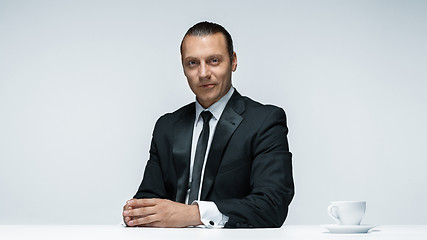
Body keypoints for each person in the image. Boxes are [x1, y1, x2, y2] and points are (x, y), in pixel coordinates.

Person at [122, 21, 294, 228]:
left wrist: (192, 214)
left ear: (233, 61)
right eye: (193, 63)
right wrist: (139, 213)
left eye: (213, 60)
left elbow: (272, 205)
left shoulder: (264, 121)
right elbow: (148, 198)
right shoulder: (166, 126)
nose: (203, 73)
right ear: (183, 67)